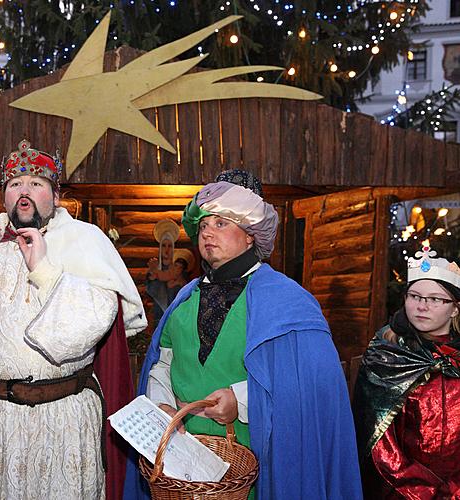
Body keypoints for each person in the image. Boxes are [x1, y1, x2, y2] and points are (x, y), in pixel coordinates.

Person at [0, 140, 146, 500]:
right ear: (4, 197)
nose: (24, 191)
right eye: (15, 185)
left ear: (56, 196)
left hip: (63, 419)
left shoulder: (84, 241)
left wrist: (45, 271)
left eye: (36, 184)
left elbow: (96, 318)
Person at [124, 172, 362, 500]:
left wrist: (242, 400)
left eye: (222, 223)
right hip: (182, 466)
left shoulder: (288, 301)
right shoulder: (184, 298)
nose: (208, 232)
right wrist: (162, 403)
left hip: (258, 463)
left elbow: (309, 385)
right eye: (204, 225)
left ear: (250, 236)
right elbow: (164, 363)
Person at [353, 245, 460, 498]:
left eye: (435, 299)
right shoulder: (387, 356)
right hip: (403, 491)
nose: (422, 306)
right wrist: (423, 491)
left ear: (455, 308)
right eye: (414, 296)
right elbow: (377, 442)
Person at [146, 219, 183, 322]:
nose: (166, 250)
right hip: (158, 315)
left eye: (170, 246)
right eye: (163, 245)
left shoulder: (179, 270)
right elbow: (151, 291)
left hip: (176, 316)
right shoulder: (154, 268)